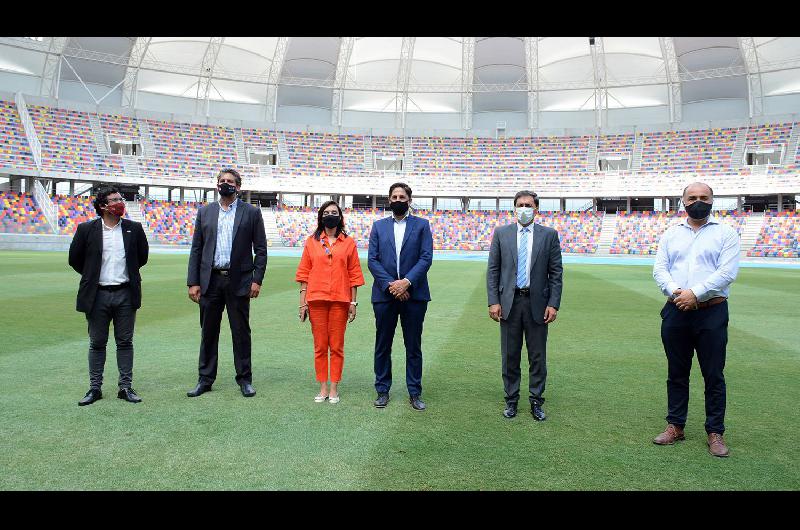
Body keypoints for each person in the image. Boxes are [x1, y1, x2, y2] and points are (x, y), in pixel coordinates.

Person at [652, 182, 740, 457]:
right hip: (676, 309)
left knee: (713, 374)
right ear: (683, 201)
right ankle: (675, 425)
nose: (698, 201)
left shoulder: (726, 233)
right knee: (676, 373)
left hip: (711, 311)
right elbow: (660, 268)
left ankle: (715, 431)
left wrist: (695, 293)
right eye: (692, 198)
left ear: (713, 200)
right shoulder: (671, 233)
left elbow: (727, 272)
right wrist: (678, 292)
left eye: (704, 197)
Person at [186, 168, 268, 398]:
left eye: (230, 181)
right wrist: (193, 281)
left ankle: (244, 379)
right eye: (221, 180)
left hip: (239, 280)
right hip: (210, 280)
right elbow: (197, 249)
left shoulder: (251, 212)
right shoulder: (205, 212)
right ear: (216, 184)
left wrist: (257, 279)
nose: (225, 184)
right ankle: (205, 379)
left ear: (238, 186)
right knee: (208, 332)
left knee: (241, 332)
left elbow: (260, 249)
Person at [68, 186, 149, 406]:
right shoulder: (86, 229)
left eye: (120, 199)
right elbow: (75, 259)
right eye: (114, 200)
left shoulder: (134, 228)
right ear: (103, 205)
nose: (119, 203)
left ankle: (125, 387)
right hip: (97, 295)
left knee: (125, 342)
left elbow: (142, 257)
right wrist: (92, 275)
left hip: (125, 293)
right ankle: (95, 388)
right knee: (97, 343)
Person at [486, 191, 563, 421]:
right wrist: (493, 300)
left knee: (537, 356)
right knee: (510, 355)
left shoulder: (549, 235)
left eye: (528, 205)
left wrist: (553, 304)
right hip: (510, 302)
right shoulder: (501, 233)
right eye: (520, 205)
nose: (524, 208)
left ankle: (536, 401)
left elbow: (556, 273)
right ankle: (511, 400)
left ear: (536, 209)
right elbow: (493, 270)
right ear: (514, 209)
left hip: (537, 303)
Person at [368, 183, 433, 411]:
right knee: (383, 345)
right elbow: (372, 260)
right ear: (389, 199)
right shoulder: (378, 227)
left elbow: (425, 258)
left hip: (414, 296)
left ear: (409, 200)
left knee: (413, 345)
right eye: (394, 196)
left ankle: (414, 392)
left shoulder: (422, 226)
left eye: (402, 196)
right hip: (385, 296)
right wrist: (391, 286)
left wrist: (406, 282)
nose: (398, 199)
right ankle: (382, 390)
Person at [295, 201, 365, 403]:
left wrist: (353, 303)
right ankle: (322, 387)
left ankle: (334, 387)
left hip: (340, 301)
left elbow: (354, 275)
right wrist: (302, 303)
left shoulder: (348, 242)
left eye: (334, 212)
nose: (330, 215)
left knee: (336, 346)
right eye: (326, 212)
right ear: (321, 217)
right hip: (316, 300)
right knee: (319, 346)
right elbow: (304, 274)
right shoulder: (311, 241)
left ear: (340, 217)